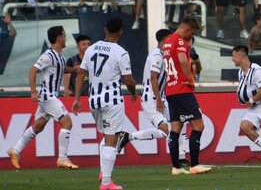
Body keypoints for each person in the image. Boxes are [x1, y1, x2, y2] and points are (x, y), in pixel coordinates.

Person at [72, 17, 138, 190]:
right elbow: (129, 80)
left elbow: (81, 74)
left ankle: (104, 172)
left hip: (94, 100)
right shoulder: (120, 52)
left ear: (105, 29)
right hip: (112, 100)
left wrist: (77, 98)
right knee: (112, 140)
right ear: (121, 32)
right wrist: (133, 92)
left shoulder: (91, 49)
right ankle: (106, 183)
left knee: (106, 136)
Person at [8, 26, 78, 170]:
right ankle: (63, 159)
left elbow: (61, 68)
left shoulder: (60, 56)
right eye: (64, 36)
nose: (65, 39)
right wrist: (33, 92)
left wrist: (73, 70)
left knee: (38, 126)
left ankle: (15, 151)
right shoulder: (48, 55)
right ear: (59, 38)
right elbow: (33, 71)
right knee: (67, 123)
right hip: (47, 95)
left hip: (50, 96)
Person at [162, 15, 211, 175]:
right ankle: (194, 165)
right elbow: (183, 60)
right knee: (198, 125)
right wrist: (189, 79)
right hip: (182, 90)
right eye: (192, 33)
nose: (192, 37)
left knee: (175, 128)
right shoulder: (180, 41)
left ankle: (176, 167)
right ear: (187, 29)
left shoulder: (167, 42)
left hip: (170, 90)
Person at [115, 30, 174, 154]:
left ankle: (180, 157)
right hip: (152, 99)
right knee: (165, 131)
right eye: (171, 38)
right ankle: (127, 136)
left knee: (178, 123)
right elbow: (153, 77)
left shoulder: (163, 54)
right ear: (166, 39)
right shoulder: (157, 56)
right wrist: (158, 99)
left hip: (161, 98)